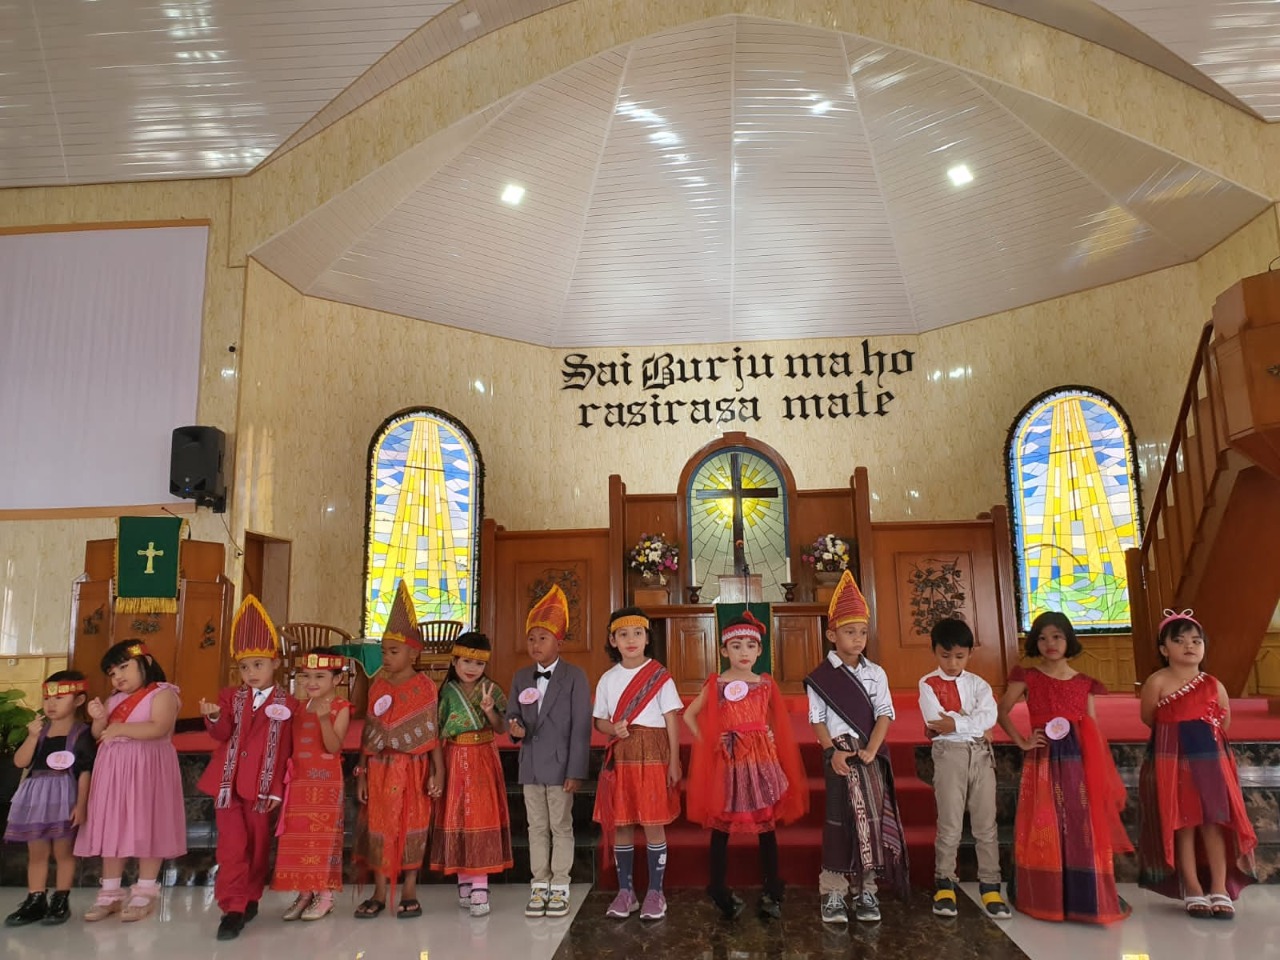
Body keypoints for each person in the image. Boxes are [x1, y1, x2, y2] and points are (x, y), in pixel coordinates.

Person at [996, 610, 1131, 924]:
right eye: (1042, 638)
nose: (1049, 643)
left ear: (1068, 639)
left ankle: (1084, 895)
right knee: (1044, 820)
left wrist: (1095, 762)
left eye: (1056, 636)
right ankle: (1046, 893)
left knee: (1080, 820)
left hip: (1078, 758)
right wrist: (1022, 740)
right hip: (1043, 757)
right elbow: (1002, 711)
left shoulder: (1084, 682)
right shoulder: (1027, 676)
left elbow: (1093, 725)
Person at [684, 611, 807, 921]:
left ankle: (772, 889)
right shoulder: (717, 683)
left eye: (750, 646)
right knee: (722, 825)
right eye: (736, 646)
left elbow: (776, 722)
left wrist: (771, 743)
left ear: (760, 651)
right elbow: (688, 715)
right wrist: (710, 740)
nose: (743, 653)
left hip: (761, 760)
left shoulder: (765, 684)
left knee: (766, 825)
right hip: (729, 761)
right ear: (724, 650)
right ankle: (718, 887)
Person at [805, 570, 910, 925]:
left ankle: (867, 890)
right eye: (850, 632)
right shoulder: (820, 678)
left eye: (863, 631)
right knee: (839, 820)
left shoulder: (876, 673)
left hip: (870, 754)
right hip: (838, 754)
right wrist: (831, 752)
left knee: (872, 823)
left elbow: (885, 714)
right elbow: (817, 720)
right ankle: (833, 890)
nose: (858, 638)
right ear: (831, 635)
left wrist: (872, 750)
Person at [1137, 610, 1256, 919]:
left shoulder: (1214, 684)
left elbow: (1224, 720)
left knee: (1213, 822)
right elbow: (1149, 717)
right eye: (1179, 641)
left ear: (1204, 647)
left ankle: (1218, 887)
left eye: (1195, 640)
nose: (1189, 646)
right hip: (1172, 758)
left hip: (1210, 760)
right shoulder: (1157, 681)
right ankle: (1191, 886)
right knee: (1183, 823)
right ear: (1164, 649)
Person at [197, 595, 299, 941]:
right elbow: (223, 732)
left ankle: (250, 896)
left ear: (274, 664)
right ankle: (233, 907)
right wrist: (213, 716)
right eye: (245, 667)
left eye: (258, 665)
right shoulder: (230, 698)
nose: (251, 673)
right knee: (232, 847)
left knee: (257, 849)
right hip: (227, 786)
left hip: (262, 788)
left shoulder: (288, 704)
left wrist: (276, 789)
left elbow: (287, 748)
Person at [75, 640, 186, 923]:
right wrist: (99, 720)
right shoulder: (113, 699)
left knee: (148, 824)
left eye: (124, 667)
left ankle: (145, 891)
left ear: (146, 663)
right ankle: (110, 893)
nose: (118, 677)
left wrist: (119, 727)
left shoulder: (163, 693)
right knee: (114, 826)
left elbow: (159, 728)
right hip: (113, 772)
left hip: (148, 769)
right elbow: (100, 733)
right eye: (112, 673)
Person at [354, 580, 444, 920]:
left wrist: (439, 772)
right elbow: (370, 732)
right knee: (378, 826)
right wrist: (361, 773)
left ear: (413, 654)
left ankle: (409, 889)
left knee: (411, 826)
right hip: (379, 768)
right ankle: (379, 891)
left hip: (414, 769)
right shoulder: (377, 684)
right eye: (384, 651)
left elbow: (432, 734)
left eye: (393, 651)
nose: (386, 657)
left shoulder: (424, 687)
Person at [506, 585, 592, 919]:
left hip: (560, 767)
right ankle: (538, 883)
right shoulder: (520, 676)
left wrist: (576, 770)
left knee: (561, 824)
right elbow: (514, 714)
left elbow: (582, 727)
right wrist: (515, 728)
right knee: (535, 827)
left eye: (543, 638)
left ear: (560, 642)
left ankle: (560, 885)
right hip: (530, 766)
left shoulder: (575, 677)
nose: (535, 645)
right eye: (531, 638)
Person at [592, 606, 682, 921]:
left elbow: (672, 719)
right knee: (623, 824)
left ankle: (656, 892)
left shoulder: (659, 675)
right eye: (623, 634)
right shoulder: (608, 679)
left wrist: (675, 761)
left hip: (655, 755)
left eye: (638, 633)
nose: (631, 640)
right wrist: (611, 729)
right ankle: (626, 892)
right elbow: (599, 721)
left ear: (647, 638)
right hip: (623, 756)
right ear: (613, 640)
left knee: (653, 822)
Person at [917, 618, 1009, 920]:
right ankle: (945, 882)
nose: (953, 663)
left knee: (986, 823)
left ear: (969, 653)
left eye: (960, 656)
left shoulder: (979, 684)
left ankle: (990, 884)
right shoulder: (927, 683)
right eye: (945, 656)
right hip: (949, 755)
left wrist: (956, 723)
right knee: (950, 822)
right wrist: (970, 723)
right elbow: (934, 721)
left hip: (981, 755)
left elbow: (989, 718)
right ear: (934, 652)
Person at [429, 632, 513, 916]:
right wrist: (436, 772)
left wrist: (490, 711)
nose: (471, 669)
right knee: (457, 815)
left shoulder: (492, 689)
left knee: (481, 815)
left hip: (483, 758)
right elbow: (435, 735)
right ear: (454, 661)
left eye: (478, 664)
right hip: (454, 757)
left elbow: (502, 728)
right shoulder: (446, 693)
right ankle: (463, 878)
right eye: (466, 661)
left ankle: (480, 883)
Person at [4, 672, 95, 927]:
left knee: (63, 851)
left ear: (79, 700)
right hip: (35, 798)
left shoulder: (81, 733)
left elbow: (84, 771)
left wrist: (81, 804)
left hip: (63, 796)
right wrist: (32, 737)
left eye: (60, 697)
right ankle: (35, 899)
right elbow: (21, 762)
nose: (51, 704)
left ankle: (60, 899)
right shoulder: (40, 731)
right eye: (47, 698)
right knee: (37, 852)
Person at [272, 648, 352, 921]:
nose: (311, 682)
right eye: (306, 676)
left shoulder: (340, 707)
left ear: (337, 680)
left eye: (320, 676)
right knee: (298, 837)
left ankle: (325, 896)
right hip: (299, 780)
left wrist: (323, 719)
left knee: (322, 840)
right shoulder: (297, 706)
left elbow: (333, 746)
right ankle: (305, 893)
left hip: (326, 781)